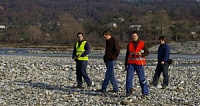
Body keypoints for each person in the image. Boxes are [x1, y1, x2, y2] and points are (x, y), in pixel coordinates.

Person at [124, 31, 149, 97]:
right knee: (128, 79)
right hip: (131, 64)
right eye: (132, 36)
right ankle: (128, 92)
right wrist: (125, 64)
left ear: (137, 36)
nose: (133, 37)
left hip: (139, 63)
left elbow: (147, 52)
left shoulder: (142, 43)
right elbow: (127, 54)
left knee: (142, 79)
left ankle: (145, 92)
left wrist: (142, 54)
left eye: (134, 36)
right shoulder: (129, 44)